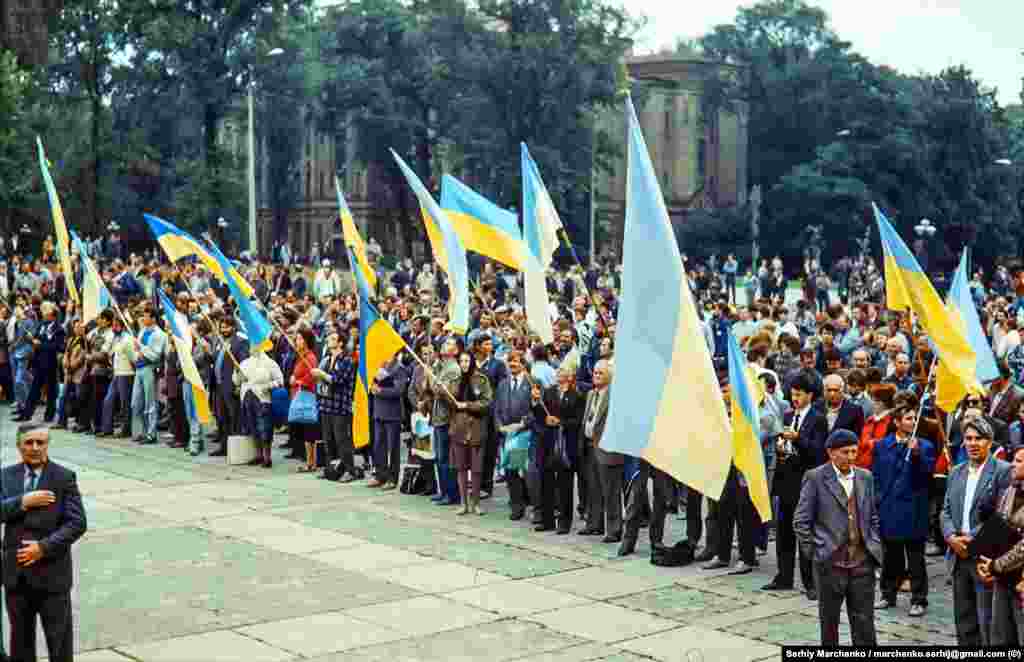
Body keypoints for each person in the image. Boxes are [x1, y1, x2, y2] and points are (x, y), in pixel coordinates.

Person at [1, 424, 87, 662]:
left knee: (59, 644)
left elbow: (77, 523)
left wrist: (43, 548)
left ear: (47, 445)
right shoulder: (6, 476)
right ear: (19, 446)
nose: (35, 448)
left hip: (52, 576)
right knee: (20, 644)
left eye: (40, 442)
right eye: (29, 443)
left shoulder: (63, 477)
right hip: (16, 577)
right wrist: (22, 501)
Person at [794, 429, 883, 646]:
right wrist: (816, 552)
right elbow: (801, 521)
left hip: (862, 563)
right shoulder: (815, 477)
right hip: (830, 564)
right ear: (831, 453)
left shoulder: (865, 477)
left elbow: (871, 515)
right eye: (845, 452)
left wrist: (874, 544)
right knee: (830, 623)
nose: (851, 457)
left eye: (854, 452)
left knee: (864, 623)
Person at [940, 417, 1011, 645]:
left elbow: (1002, 514)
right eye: (968, 439)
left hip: (984, 556)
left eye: (978, 438)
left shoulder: (1002, 471)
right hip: (958, 556)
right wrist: (951, 537)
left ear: (989, 441)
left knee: (987, 621)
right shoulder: (956, 472)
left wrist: (970, 540)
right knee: (964, 620)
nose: (972, 443)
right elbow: (945, 510)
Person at [765, 374, 827, 598]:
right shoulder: (788, 414)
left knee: (804, 533)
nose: (795, 399)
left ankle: (810, 582)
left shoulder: (818, 419)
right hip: (786, 480)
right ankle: (784, 575)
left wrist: (798, 438)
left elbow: (818, 452)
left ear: (810, 395)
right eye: (793, 394)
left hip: (806, 482)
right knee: (783, 532)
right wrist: (782, 443)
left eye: (799, 395)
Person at [873, 405, 937, 617]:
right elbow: (877, 475)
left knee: (915, 556)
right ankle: (887, 593)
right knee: (891, 555)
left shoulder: (925, 446)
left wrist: (917, 453)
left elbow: (927, 475)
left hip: (913, 508)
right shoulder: (883, 445)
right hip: (889, 506)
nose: (912, 422)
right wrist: (879, 500)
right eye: (908, 418)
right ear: (897, 422)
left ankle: (919, 598)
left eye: (913, 418)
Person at [978, 444, 1024, 645]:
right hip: (1003, 579)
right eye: (1014, 459)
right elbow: (999, 523)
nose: (1013, 464)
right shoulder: (1010, 489)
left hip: (1020, 579)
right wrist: (984, 559)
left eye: (1019, 461)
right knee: (1000, 636)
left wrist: (996, 565)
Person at [448, 351, 494, 515]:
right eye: (461, 361)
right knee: (461, 468)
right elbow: (449, 401)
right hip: (458, 429)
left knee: (476, 469)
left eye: (467, 360)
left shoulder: (481, 380)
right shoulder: (454, 381)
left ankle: (476, 503)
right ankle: (463, 503)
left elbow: (487, 402)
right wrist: (439, 389)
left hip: (476, 429)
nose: (464, 363)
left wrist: (467, 405)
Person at [581, 360, 621, 543]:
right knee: (594, 488)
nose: (596, 376)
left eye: (600, 373)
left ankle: (614, 529)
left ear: (610, 376)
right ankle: (594, 524)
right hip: (591, 446)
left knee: (610, 491)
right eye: (595, 373)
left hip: (607, 449)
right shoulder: (591, 394)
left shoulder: (615, 395)